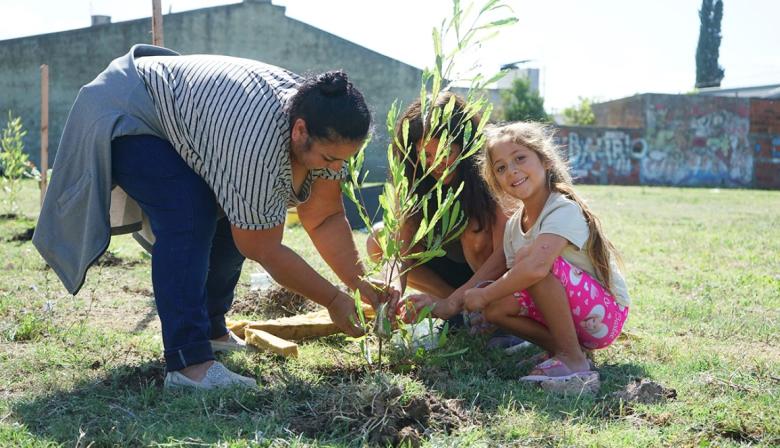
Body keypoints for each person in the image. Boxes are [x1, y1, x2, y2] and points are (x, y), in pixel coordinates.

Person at [33, 44, 385, 390]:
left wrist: (362, 288)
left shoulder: (322, 130)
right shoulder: (258, 143)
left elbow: (324, 218)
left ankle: (211, 330)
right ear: (300, 132)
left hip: (185, 114)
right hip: (129, 107)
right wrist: (335, 300)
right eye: (328, 160)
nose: (335, 169)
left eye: (344, 161)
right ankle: (188, 362)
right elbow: (262, 248)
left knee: (233, 213)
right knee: (189, 213)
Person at [459, 121, 631, 382]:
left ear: (546, 161)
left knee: (533, 262)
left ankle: (572, 359)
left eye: (520, 158)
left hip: (606, 315)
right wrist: (476, 302)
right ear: (496, 181)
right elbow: (506, 272)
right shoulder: (514, 225)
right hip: (578, 319)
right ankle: (563, 349)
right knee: (496, 309)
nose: (512, 171)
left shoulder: (562, 209)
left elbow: (537, 268)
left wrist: (484, 295)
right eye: (501, 167)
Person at [365, 92, 507, 329]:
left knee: (475, 230)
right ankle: (459, 308)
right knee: (378, 239)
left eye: (445, 152)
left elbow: (504, 255)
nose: (436, 163)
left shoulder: (490, 172)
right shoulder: (414, 180)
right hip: (448, 275)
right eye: (426, 155)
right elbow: (400, 247)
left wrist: (452, 303)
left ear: (464, 144)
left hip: (490, 277)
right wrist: (393, 288)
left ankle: (473, 305)